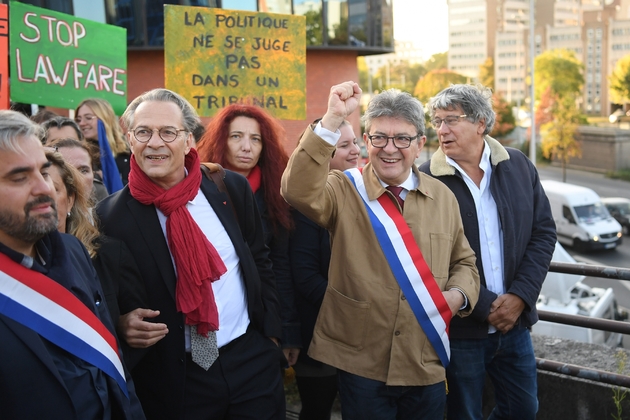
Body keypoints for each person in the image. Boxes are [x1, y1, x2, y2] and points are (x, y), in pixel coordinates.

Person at [281, 82, 480, 420]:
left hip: (425, 359)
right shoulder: (343, 188)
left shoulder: (443, 197)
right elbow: (296, 190)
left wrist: (457, 296)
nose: (390, 148)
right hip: (362, 361)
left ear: (419, 145)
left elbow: (465, 262)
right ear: (367, 142)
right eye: (379, 138)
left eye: (402, 138)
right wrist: (331, 119)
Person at [96, 88, 286, 419]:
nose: (155, 143)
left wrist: (269, 337)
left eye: (168, 132)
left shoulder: (229, 189)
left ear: (188, 141)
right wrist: (120, 324)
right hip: (176, 380)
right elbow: (101, 297)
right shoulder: (109, 218)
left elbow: (259, 260)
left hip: (250, 361)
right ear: (129, 139)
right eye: (143, 132)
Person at [419, 84, 556, 420]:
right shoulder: (425, 180)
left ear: (480, 123)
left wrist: (521, 296)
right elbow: (425, 257)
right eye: (437, 121)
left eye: (451, 120)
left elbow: (543, 232)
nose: (442, 130)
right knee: (464, 413)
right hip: (463, 330)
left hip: (515, 326)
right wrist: (483, 305)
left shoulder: (518, 166)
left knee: (523, 410)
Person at [0, 110, 144, 419]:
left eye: (43, 171)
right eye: (20, 177)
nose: (44, 188)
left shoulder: (73, 250)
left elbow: (113, 366)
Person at [197, 104, 300, 366]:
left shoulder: (275, 195)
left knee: (256, 396)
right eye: (236, 137)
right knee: (203, 391)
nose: (247, 146)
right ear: (221, 141)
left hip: (258, 322)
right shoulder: (196, 192)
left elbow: (280, 268)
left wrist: (284, 332)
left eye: (255, 139)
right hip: (205, 318)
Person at [289, 118, 360, 420]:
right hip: (322, 336)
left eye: (355, 142)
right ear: (323, 156)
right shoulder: (307, 205)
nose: (356, 151)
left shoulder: (365, 194)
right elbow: (305, 277)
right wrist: (355, 309)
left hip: (362, 338)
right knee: (317, 411)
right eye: (344, 146)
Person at [45, 150, 146, 337]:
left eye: (52, 188)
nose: (42, 197)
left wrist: (120, 329)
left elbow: (142, 327)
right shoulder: (13, 266)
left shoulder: (109, 255)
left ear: (69, 200)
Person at [76, 98, 131, 187]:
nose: (82, 123)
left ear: (104, 118)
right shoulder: (79, 153)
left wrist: (108, 178)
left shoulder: (127, 151)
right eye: (78, 119)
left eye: (88, 118)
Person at [48, 137, 109, 203]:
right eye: (68, 171)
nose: (77, 179)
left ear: (93, 173)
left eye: (83, 171)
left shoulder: (104, 207)